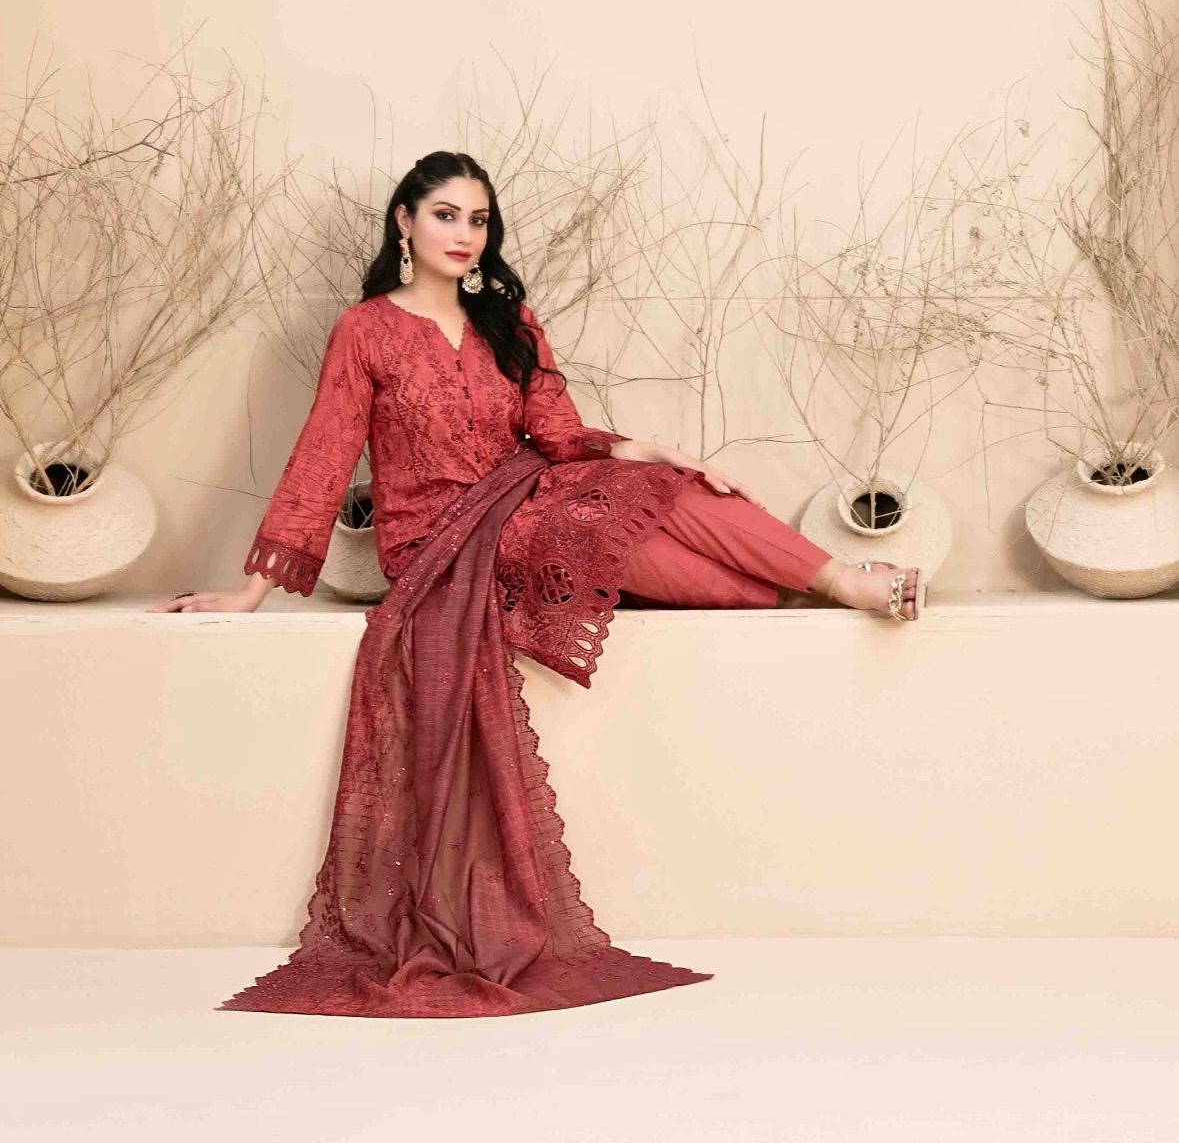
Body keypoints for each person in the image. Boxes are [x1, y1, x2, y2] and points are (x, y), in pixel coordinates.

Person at [146, 151, 922, 1019]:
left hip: (529, 490)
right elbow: (323, 455)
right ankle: (834, 585)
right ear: (403, 221)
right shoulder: (365, 330)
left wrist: (648, 452)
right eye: (445, 215)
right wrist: (251, 590)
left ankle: (831, 583)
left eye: (477, 220)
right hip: (441, 540)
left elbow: (556, 432)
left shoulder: (506, 318)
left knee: (662, 492)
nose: (463, 234)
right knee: (602, 531)